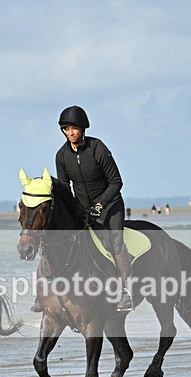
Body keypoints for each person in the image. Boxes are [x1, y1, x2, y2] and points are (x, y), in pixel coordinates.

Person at [55, 104, 132, 311]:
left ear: (83, 128)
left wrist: (101, 204)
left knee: (114, 241)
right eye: (66, 129)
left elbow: (116, 182)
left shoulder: (98, 148)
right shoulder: (62, 156)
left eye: (74, 128)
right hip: (83, 209)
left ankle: (125, 292)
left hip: (110, 204)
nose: (70, 133)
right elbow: (64, 189)